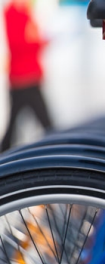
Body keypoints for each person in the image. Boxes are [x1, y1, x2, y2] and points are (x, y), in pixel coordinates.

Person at [2, 0, 52, 152]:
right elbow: (18, 44)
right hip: (24, 78)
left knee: (14, 129)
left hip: (27, 76)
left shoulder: (23, 12)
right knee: (47, 124)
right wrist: (40, 43)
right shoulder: (13, 13)